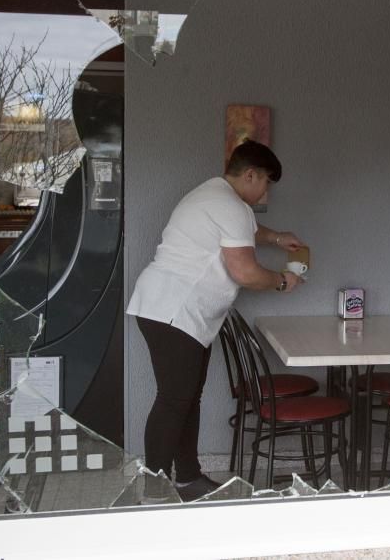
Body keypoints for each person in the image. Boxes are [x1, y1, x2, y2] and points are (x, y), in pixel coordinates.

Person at [127, 141, 306, 501]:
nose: (266, 190)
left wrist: (276, 237)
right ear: (250, 174)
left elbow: (248, 232)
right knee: (174, 400)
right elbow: (245, 272)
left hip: (168, 308)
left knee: (186, 398)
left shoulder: (214, 195)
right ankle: (154, 491)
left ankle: (188, 478)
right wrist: (283, 281)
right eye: (266, 182)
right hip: (176, 310)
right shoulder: (230, 206)